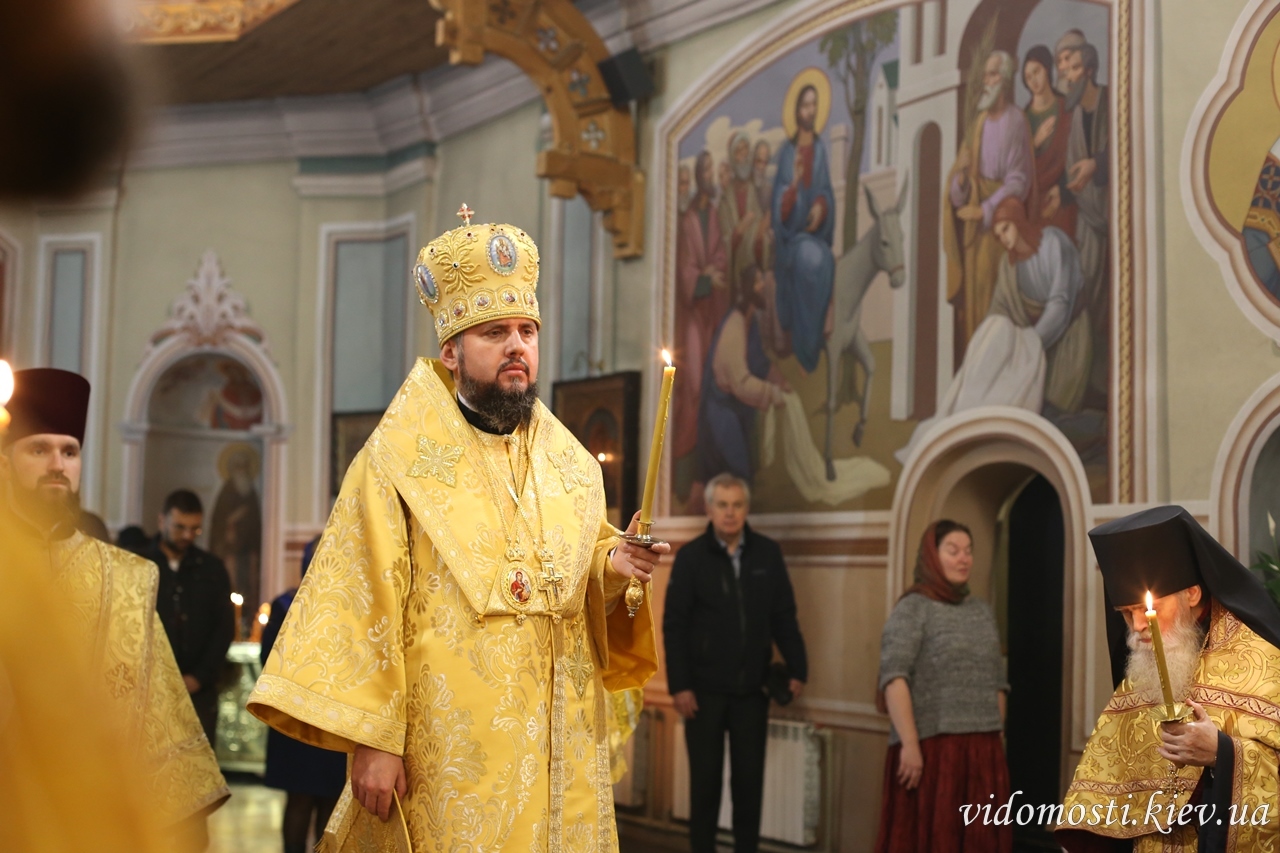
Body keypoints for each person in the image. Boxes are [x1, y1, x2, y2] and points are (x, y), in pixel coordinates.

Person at [248, 208, 663, 851]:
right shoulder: (395, 461)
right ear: (451, 352)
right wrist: (374, 741)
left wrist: (612, 567)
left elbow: (564, 581)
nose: (517, 346)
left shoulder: (573, 466)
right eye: (495, 332)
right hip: (449, 749)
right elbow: (363, 600)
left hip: (559, 744)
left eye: (527, 330)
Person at [0, 368, 230, 842]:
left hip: (91, 820)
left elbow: (161, 725)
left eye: (69, 452)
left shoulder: (128, 578)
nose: (57, 465)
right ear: (6, 461)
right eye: (38, 450)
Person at [1057, 506, 1280, 850]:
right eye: (1126, 613)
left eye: (1149, 610)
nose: (1138, 626)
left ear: (1192, 593)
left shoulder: (1263, 660)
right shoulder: (1142, 671)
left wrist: (1222, 753)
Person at [663, 472, 807, 853]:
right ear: (709, 509)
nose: (730, 513)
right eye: (723, 505)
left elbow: (784, 617)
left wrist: (798, 667)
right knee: (704, 790)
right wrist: (680, 685)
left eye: (737, 505)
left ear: (746, 509)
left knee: (749, 789)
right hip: (703, 694)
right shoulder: (691, 558)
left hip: (751, 692)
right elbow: (674, 625)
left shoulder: (767, 554)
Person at [896, 197, 1087, 462]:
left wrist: (1030, 341)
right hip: (1030, 344)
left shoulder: (1053, 243)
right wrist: (989, 345)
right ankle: (962, 418)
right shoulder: (1009, 266)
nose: (1004, 239)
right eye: (998, 235)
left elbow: (1061, 303)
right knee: (995, 329)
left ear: (1019, 221)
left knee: (1051, 419)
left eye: (1006, 229)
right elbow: (998, 312)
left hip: (1067, 339)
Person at [874, 520, 1011, 853]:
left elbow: (997, 681)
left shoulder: (981, 610)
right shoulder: (913, 608)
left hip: (982, 750)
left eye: (968, 551)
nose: (963, 558)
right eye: (953, 551)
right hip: (931, 751)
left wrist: (997, 738)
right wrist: (910, 745)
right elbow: (893, 677)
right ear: (933, 556)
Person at [945, 50, 1035, 360]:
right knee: (975, 303)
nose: (986, 80)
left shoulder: (1016, 121)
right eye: (985, 74)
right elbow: (958, 192)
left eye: (993, 74)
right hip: (975, 232)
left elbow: (1018, 181)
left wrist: (984, 210)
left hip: (1001, 227)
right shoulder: (977, 124)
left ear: (1006, 80)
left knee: (996, 301)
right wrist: (960, 179)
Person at [259, 536, 346, 853]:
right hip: (296, 718)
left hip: (334, 719)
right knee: (299, 799)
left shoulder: (349, 608)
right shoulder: (285, 606)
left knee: (331, 803)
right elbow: (269, 661)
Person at [142, 488, 235, 747]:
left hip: (198, 692)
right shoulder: (140, 563)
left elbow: (224, 628)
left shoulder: (212, 569)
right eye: (179, 527)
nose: (187, 536)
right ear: (162, 521)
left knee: (197, 762)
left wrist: (199, 676)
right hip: (149, 690)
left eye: (195, 529)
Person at [695, 265, 786, 496]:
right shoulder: (734, 326)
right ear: (748, 288)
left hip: (738, 408)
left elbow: (759, 362)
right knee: (737, 472)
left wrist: (781, 382)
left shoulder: (750, 321)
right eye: (758, 282)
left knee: (745, 475)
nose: (763, 286)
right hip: (721, 409)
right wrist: (772, 393)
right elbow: (740, 382)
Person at [772, 73, 836, 374]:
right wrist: (795, 184)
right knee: (810, 261)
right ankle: (804, 344)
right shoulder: (788, 153)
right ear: (797, 111)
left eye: (814, 105)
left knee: (825, 259)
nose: (811, 111)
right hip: (792, 239)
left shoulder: (820, 150)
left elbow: (825, 191)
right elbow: (779, 206)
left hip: (815, 235)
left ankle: (814, 338)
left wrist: (821, 207)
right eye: (806, 105)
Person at [1058, 37, 1110, 400]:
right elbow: (1073, 166)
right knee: (1087, 296)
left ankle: (1109, 382)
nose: (1069, 77)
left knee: (1112, 304)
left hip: (1116, 220)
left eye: (1075, 68)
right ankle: (1091, 384)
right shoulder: (1077, 115)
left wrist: (1097, 165)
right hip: (1089, 224)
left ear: (1090, 71)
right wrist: (1062, 192)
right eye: (1066, 70)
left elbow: (1130, 145)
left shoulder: (1112, 102)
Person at [675, 149, 730, 465]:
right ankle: (688, 452)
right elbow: (686, 270)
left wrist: (715, 270)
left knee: (716, 380)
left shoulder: (716, 214)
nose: (710, 176)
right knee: (695, 379)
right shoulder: (689, 219)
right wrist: (705, 277)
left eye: (712, 170)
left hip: (715, 311)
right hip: (695, 314)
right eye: (706, 170)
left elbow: (721, 254)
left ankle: (710, 454)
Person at [1023, 44, 1076, 236]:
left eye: (1036, 71)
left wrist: (1063, 190)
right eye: (1028, 77)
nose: (1033, 80)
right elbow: (1016, 166)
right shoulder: (1023, 119)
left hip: (1065, 193)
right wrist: (1034, 144)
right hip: (1034, 201)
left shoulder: (1067, 108)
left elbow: (1077, 152)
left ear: (1047, 69)